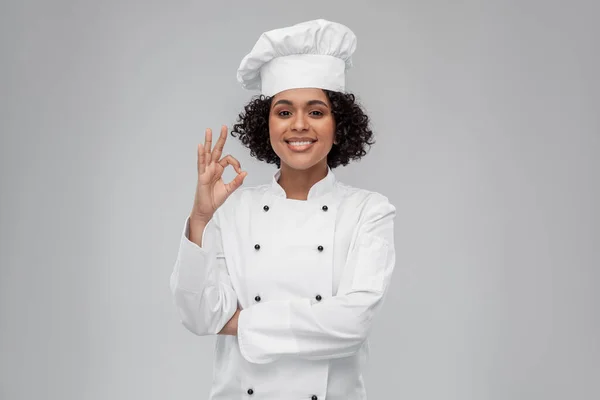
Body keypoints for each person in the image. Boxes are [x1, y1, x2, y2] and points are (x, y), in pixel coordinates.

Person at [170, 19, 396, 400]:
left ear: (339, 124)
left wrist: (239, 322)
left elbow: (352, 322)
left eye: (317, 111)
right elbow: (198, 315)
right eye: (285, 112)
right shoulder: (234, 207)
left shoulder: (368, 212)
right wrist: (201, 218)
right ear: (267, 124)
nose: (300, 126)